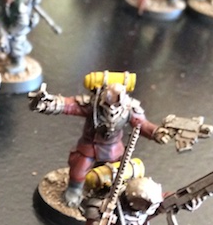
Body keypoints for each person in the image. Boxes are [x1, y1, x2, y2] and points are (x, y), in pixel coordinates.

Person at [29, 73, 170, 207]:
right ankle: (74, 190)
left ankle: (104, 194)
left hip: (113, 148)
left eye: (115, 103)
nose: (111, 108)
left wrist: (156, 133)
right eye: (108, 102)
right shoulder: (93, 104)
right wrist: (48, 103)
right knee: (79, 169)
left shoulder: (130, 108)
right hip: (89, 146)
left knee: (116, 174)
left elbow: (142, 125)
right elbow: (70, 105)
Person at [0, 0, 41, 74]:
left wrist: (9, 33)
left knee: (15, 44)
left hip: (18, 29)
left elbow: (22, 22)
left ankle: (18, 63)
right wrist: (3, 31)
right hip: (9, 24)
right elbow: (1, 14)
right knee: (4, 42)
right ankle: (10, 56)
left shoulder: (20, 6)